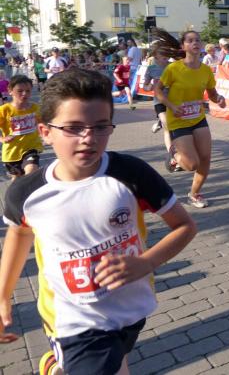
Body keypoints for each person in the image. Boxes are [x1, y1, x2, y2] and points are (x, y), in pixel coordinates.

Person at [0, 68, 197, 375]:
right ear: (45, 132)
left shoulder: (131, 173)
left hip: (131, 307)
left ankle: (56, 364)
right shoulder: (25, 193)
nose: (88, 138)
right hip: (71, 319)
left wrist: (146, 262)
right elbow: (19, 234)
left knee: (116, 358)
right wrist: (3, 296)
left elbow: (185, 226)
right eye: (73, 128)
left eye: (101, 126)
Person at [153, 28, 226, 208]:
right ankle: (174, 154)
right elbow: (158, 91)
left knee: (205, 158)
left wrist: (219, 99)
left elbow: (212, 94)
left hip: (198, 118)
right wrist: (171, 106)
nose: (195, 43)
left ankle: (194, 194)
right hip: (178, 120)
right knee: (192, 164)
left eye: (197, 40)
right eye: (190, 40)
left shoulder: (206, 70)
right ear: (183, 46)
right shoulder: (174, 68)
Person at [0, 75, 43, 181]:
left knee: (31, 169)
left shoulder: (35, 108)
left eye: (28, 91)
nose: (24, 94)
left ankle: (28, 188)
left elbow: (42, 123)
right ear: (10, 91)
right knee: (16, 180)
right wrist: (2, 138)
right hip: (12, 152)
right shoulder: (4, 110)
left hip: (31, 147)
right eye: (20, 91)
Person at [145, 49, 174, 157]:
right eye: (162, 53)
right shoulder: (151, 68)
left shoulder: (173, 66)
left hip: (174, 100)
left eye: (166, 53)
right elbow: (145, 85)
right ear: (156, 56)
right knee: (167, 125)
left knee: (172, 124)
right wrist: (149, 87)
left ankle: (159, 123)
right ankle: (171, 155)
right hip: (159, 100)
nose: (165, 55)